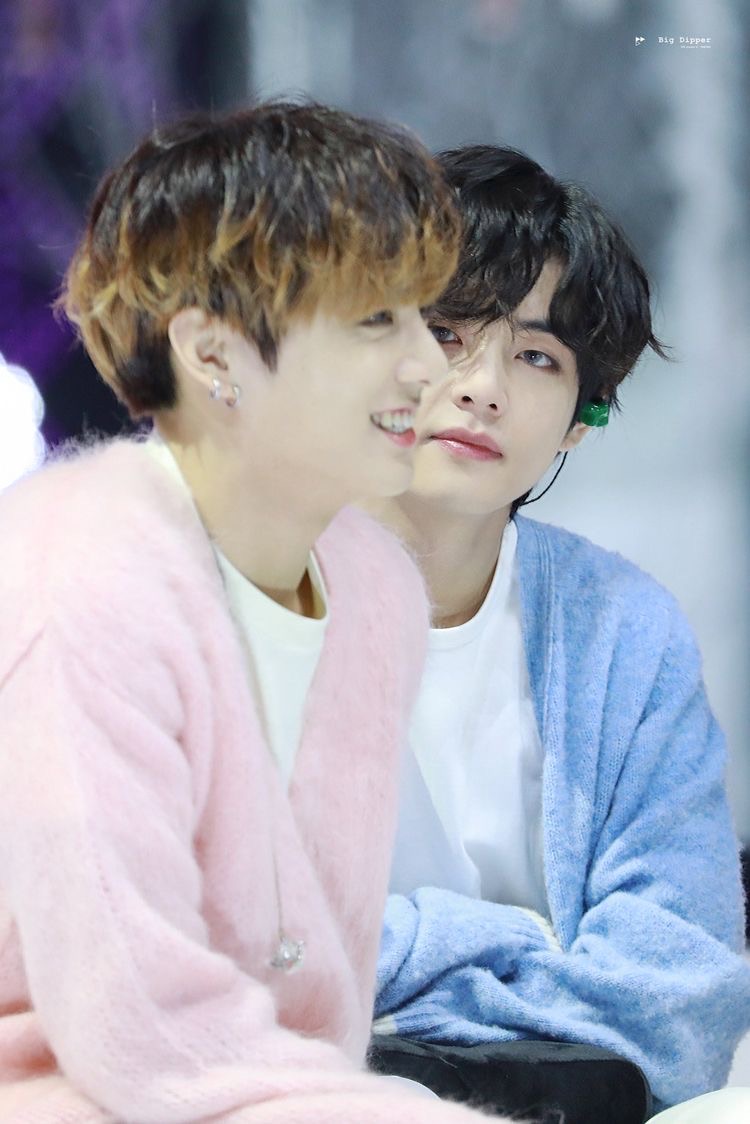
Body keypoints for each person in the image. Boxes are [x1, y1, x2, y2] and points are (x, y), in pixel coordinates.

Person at [0, 104, 495, 1123]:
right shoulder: (80, 578)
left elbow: (312, 1010)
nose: (430, 366)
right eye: (376, 320)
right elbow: (146, 1034)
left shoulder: (373, 589)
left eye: (423, 316)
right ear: (212, 352)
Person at [366, 145, 750, 1120]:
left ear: (582, 418)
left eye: (537, 356)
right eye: (447, 331)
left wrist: (391, 980)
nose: (482, 385)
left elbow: (680, 999)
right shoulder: (253, 594)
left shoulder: (626, 634)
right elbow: (234, 954)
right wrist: (521, 942)